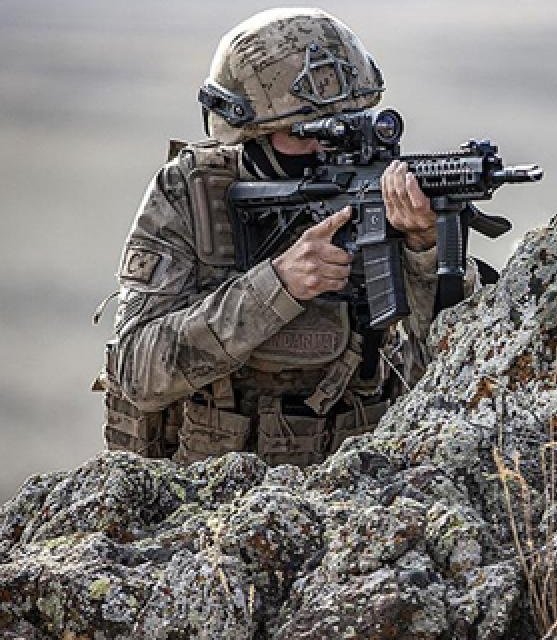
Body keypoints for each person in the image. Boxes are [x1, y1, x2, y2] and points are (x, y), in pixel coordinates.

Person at [94, 8, 476, 466]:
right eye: (302, 134)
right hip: (204, 485)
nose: (325, 148)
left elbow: (447, 367)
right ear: (246, 134)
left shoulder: (375, 188)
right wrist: (278, 286)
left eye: (345, 125)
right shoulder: (191, 195)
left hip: (350, 476)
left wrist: (422, 250)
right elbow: (139, 368)